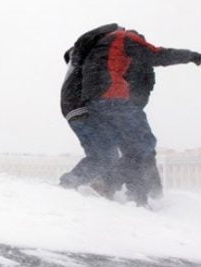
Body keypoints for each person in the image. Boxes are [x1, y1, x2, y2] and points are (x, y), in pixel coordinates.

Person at [79, 24, 201, 206]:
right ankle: (108, 184)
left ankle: (137, 196)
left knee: (133, 149)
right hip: (113, 97)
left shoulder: (102, 45)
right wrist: (192, 56)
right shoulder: (126, 38)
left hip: (94, 102)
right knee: (144, 146)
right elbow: (157, 54)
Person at [59, 24, 120, 193]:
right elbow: (85, 40)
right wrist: (115, 28)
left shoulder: (81, 65)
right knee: (103, 155)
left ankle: (106, 187)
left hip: (77, 109)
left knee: (108, 152)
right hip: (80, 108)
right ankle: (69, 184)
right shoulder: (81, 58)